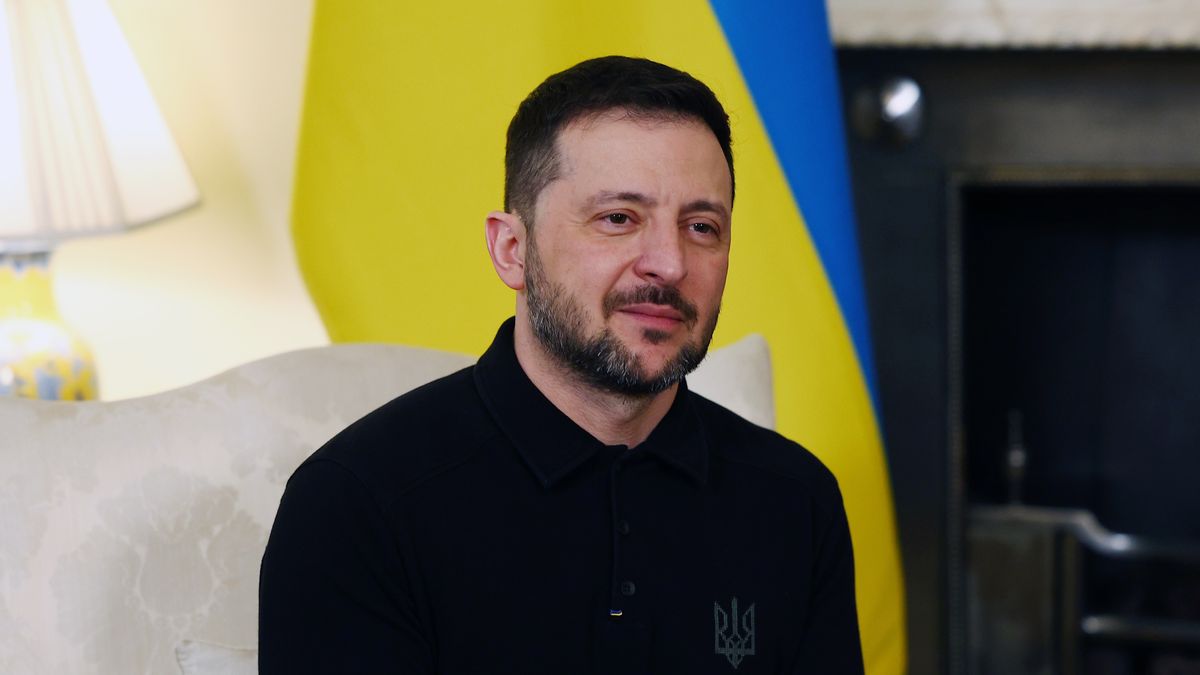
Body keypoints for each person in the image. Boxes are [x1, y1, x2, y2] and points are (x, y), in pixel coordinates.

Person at [259, 55, 864, 674]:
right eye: (618, 219)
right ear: (512, 250)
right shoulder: (356, 504)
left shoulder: (796, 500)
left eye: (701, 226)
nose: (670, 263)